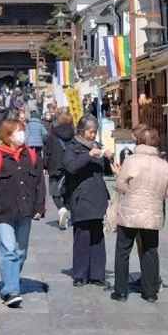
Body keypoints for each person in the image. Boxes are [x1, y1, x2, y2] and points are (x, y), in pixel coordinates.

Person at [0, 118, 45, 308]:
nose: (21, 134)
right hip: (4, 213)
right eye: (17, 131)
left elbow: (40, 184)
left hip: (25, 212)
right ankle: (10, 290)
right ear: (7, 136)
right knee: (8, 250)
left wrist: (39, 207)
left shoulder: (31, 156)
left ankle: (11, 280)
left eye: (22, 130)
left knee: (21, 252)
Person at [110, 126, 168, 303]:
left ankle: (121, 291)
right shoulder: (164, 164)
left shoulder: (131, 160)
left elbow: (121, 185)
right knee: (150, 251)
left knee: (123, 250)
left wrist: (133, 191)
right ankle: (150, 292)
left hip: (131, 210)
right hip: (152, 212)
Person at [63, 114, 117, 287]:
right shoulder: (72, 147)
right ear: (81, 131)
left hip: (98, 196)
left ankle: (97, 274)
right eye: (90, 132)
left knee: (97, 236)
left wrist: (109, 159)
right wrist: (88, 156)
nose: (93, 136)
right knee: (82, 236)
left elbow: (105, 172)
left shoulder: (97, 147)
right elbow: (71, 167)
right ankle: (79, 273)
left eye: (95, 132)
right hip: (80, 197)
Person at [44, 110, 75, 230]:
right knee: (68, 192)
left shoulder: (53, 134)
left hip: (55, 166)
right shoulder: (74, 134)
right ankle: (66, 211)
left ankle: (61, 209)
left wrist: (45, 165)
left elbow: (47, 151)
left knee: (54, 192)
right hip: (70, 166)